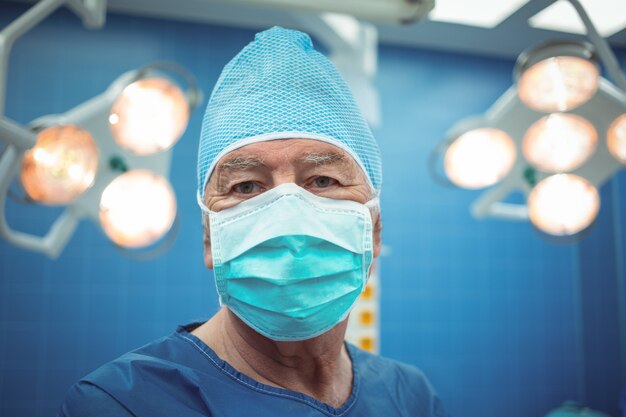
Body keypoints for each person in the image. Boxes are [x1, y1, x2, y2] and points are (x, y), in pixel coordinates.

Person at [58, 26, 448, 417]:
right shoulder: (123, 403)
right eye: (246, 186)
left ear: (374, 232)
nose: (288, 212)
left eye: (324, 180)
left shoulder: (410, 397)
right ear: (210, 239)